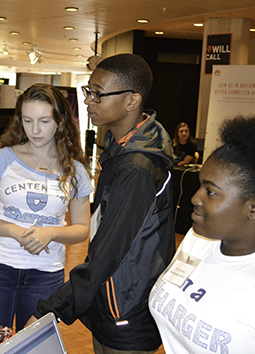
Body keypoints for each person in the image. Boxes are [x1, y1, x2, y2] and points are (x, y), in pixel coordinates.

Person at [28, 54, 176, 353]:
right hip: (112, 295)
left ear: (132, 101)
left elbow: (109, 251)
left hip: (127, 304)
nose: (88, 101)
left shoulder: (137, 166)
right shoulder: (123, 148)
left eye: (98, 94)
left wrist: (51, 310)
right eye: (88, 91)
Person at [0, 83, 93, 332]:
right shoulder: (2, 159)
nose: (35, 130)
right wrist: (12, 229)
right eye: (27, 120)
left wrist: (52, 233)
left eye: (44, 121)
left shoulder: (76, 170)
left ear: (60, 121)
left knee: (32, 347)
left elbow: (81, 229)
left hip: (45, 274)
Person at [149, 116, 255, 353]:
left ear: (253, 209)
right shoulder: (197, 240)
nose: (195, 198)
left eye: (211, 191)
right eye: (199, 186)